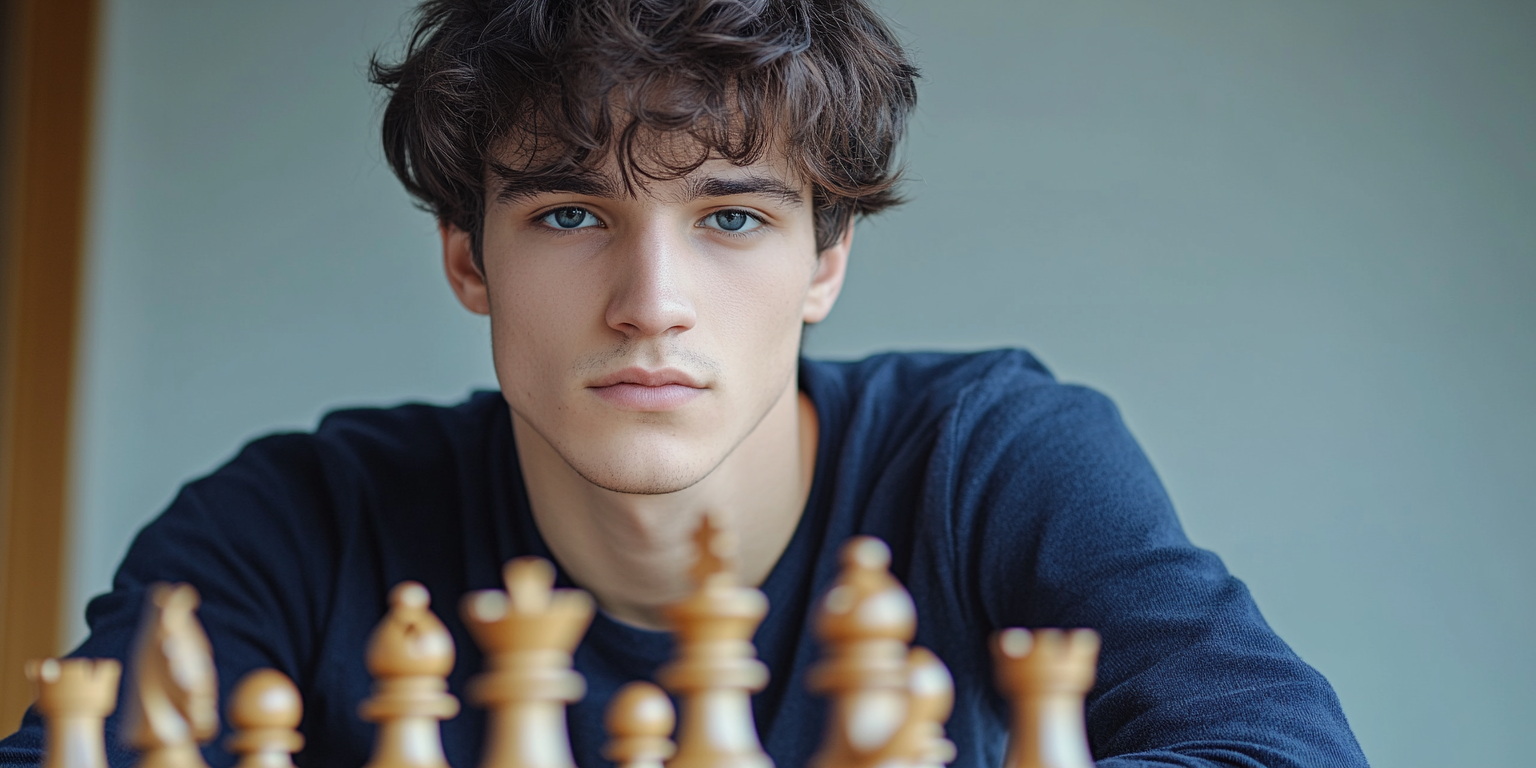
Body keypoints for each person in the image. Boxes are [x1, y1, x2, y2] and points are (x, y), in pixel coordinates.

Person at [0, 1, 1368, 766]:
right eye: (569, 215)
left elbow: (1280, 757)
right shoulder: (296, 523)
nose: (651, 304)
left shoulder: (993, 462)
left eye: (731, 218)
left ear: (827, 259)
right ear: (466, 259)